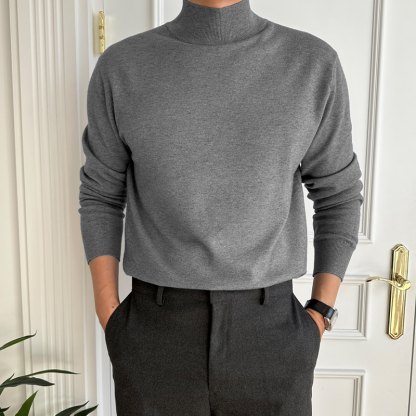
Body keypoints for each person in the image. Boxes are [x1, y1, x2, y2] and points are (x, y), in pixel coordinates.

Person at [78, 0, 364, 414]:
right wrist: (110, 316)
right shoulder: (121, 66)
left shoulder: (312, 64)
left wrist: (320, 312)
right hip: (154, 333)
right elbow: (101, 193)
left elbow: (338, 194)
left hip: (272, 334)